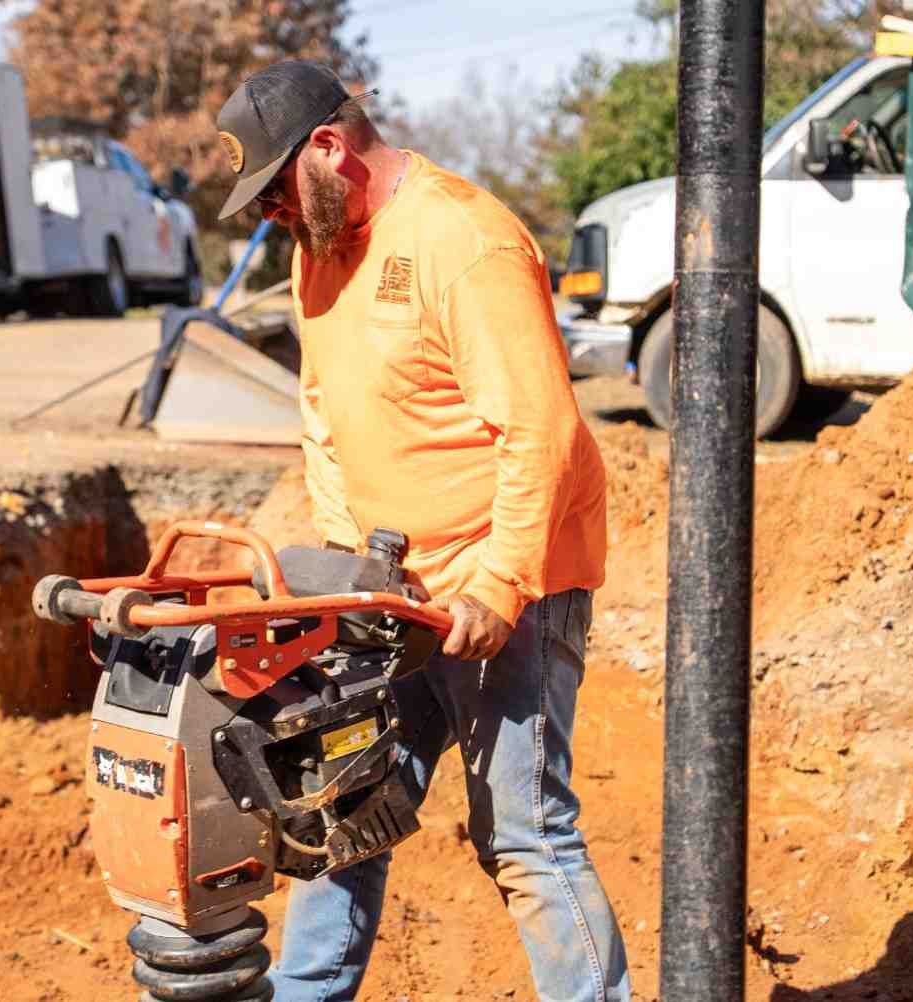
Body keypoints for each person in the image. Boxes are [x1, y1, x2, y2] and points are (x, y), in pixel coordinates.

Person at [215, 62, 630, 1002]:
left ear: (328, 146)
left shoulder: (463, 239)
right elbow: (322, 416)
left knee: (523, 831)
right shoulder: (315, 251)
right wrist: (350, 567)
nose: (272, 213)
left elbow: (542, 431)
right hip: (391, 593)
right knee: (340, 800)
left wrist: (499, 583)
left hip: (504, 586)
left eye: (275, 189)